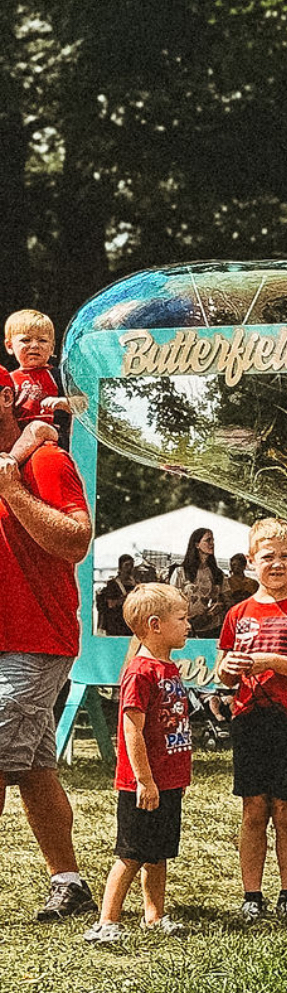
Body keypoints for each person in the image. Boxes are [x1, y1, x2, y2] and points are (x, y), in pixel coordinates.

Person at [0, 367, 97, 922]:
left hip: (36, 639)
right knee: (35, 768)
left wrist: (13, 489)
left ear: (9, 396)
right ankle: (70, 882)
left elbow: (76, 541)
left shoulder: (45, 461)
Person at [216, 517, 287, 922]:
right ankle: (251, 894)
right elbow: (222, 673)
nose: (277, 564)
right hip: (249, 718)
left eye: (285, 556)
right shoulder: (238, 613)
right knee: (253, 809)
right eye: (268, 557)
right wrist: (230, 667)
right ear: (251, 561)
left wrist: (271, 662)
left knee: (286, 809)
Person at [84, 583, 193, 944]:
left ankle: (154, 915)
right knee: (130, 854)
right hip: (143, 785)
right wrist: (144, 780)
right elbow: (132, 731)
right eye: (182, 618)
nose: (189, 625)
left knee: (158, 853)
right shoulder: (140, 672)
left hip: (168, 782)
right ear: (155, 624)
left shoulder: (169, 668)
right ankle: (107, 920)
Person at [4, 308, 71, 464]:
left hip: (52, 433)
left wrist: (63, 402)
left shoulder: (58, 376)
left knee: (37, 427)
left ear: (52, 348)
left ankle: (10, 462)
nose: (34, 346)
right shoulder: (9, 379)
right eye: (26, 340)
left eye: (42, 340)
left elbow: (84, 404)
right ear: (9, 346)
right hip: (18, 436)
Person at [168, 527, 224, 639]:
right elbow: (170, 600)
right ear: (197, 545)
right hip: (186, 626)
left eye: (213, 540)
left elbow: (225, 600)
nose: (212, 544)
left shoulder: (217, 573)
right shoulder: (180, 572)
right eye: (208, 540)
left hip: (211, 627)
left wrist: (214, 611)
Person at [96, 554, 137, 637]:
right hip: (116, 626)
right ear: (120, 567)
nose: (129, 568)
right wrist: (127, 598)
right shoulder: (113, 584)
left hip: (130, 626)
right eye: (127, 565)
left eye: (132, 565)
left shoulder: (135, 584)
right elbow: (110, 604)